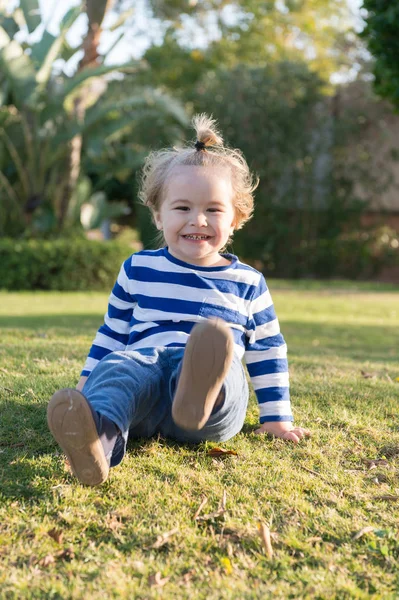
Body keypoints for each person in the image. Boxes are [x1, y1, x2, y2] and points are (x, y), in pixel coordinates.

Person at [47, 114, 310, 486]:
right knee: (119, 371)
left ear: (236, 218)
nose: (198, 220)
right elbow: (112, 333)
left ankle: (201, 395)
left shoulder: (247, 282)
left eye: (213, 210)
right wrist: (88, 387)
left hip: (210, 404)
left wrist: (276, 418)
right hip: (145, 376)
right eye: (183, 208)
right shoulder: (138, 268)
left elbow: (268, 351)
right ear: (158, 215)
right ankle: (98, 441)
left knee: (227, 375)